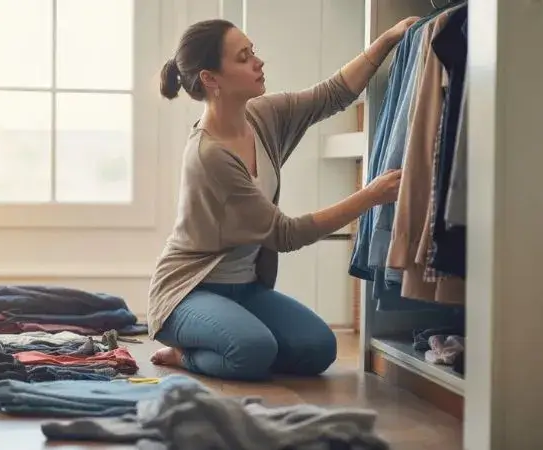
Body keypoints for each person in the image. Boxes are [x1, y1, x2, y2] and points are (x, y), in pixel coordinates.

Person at [147, 17, 419, 381]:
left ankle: (234, 338)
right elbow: (285, 234)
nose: (258, 62)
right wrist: (369, 196)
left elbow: (333, 93)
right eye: (243, 58)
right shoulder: (209, 155)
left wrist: (388, 38)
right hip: (188, 292)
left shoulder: (262, 115)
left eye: (253, 52)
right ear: (210, 79)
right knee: (252, 350)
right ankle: (185, 355)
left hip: (245, 290)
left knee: (319, 348)